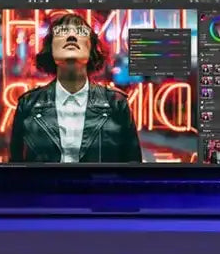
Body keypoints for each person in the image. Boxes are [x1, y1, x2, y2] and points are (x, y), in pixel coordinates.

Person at [9, 13, 142, 163]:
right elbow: (15, 171)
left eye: (80, 32)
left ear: (91, 46)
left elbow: (132, 169)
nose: (71, 37)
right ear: (51, 48)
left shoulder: (116, 104)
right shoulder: (28, 105)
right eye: (62, 32)